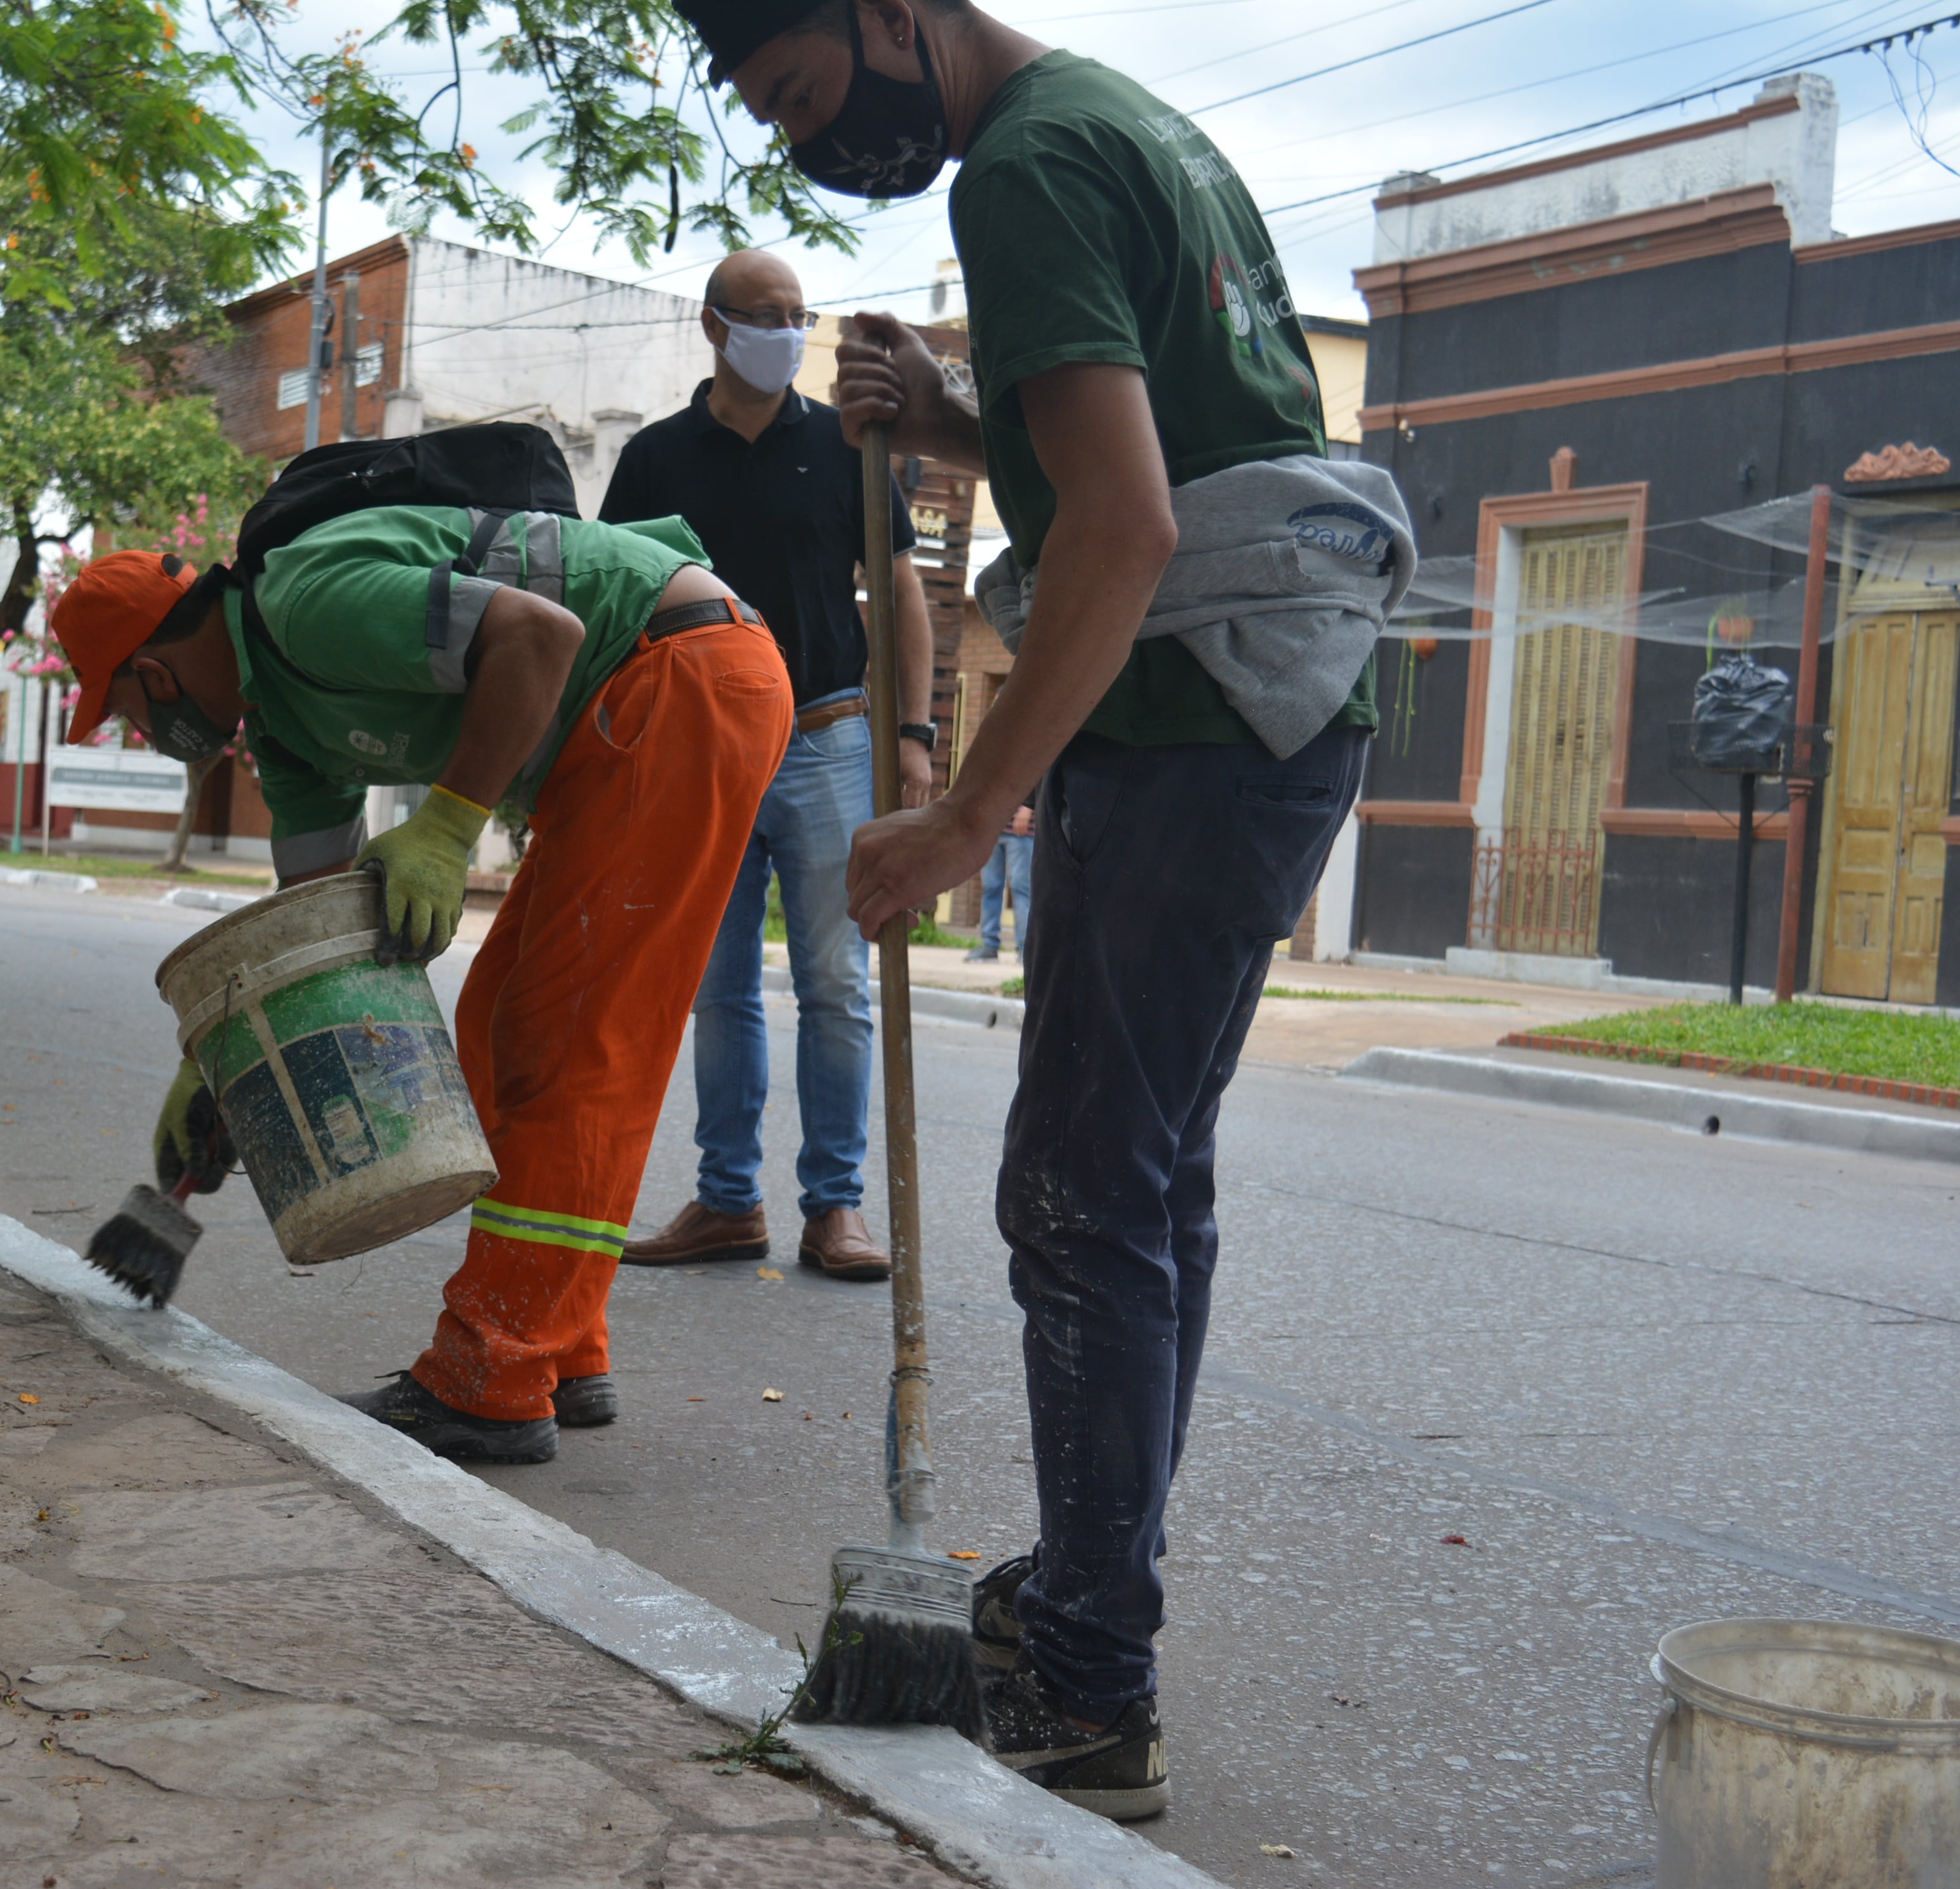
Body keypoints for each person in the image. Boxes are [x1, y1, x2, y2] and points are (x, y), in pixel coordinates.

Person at [689, 0, 1412, 1822]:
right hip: (1268, 709)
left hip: (1193, 719)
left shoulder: (1026, 169)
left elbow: (1128, 524)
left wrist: (960, 815)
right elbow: (1149, 443)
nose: (807, 141)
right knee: (1142, 1181)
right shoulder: (1116, 124)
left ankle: (1092, 1685)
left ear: (889, 16)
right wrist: (946, 418)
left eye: (801, 93)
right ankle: (1093, 1612)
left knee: (1084, 1192)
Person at [48, 506, 791, 1465]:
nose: (147, 735)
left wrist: (446, 826)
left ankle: (492, 1381)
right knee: (494, 1027)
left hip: (682, 675)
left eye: (131, 714)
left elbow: (540, 634)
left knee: (566, 1046)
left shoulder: (305, 604)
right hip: (642, 702)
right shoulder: (285, 733)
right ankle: (561, 1349)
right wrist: (233, 1065)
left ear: (152, 673)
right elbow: (316, 942)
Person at [600, 249, 932, 1285]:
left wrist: (913, 737)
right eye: (765, 314)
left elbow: (901, 595)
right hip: (697, 748)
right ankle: (726, 1201)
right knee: (717, 984)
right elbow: (612, 603)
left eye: (800, 315)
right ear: (714, 326)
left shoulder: (848, 450)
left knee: (839, 980)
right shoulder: (656, 460)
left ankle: (836, 1208)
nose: (786, 332)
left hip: (831, 739)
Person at [965, 800, 1033, 962]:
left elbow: (1037, 777)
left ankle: (1025, 949)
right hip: (992, 829)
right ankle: (989, 946)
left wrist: (1028, 809)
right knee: (990, 888)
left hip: (1022, 831)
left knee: (1021, 889)